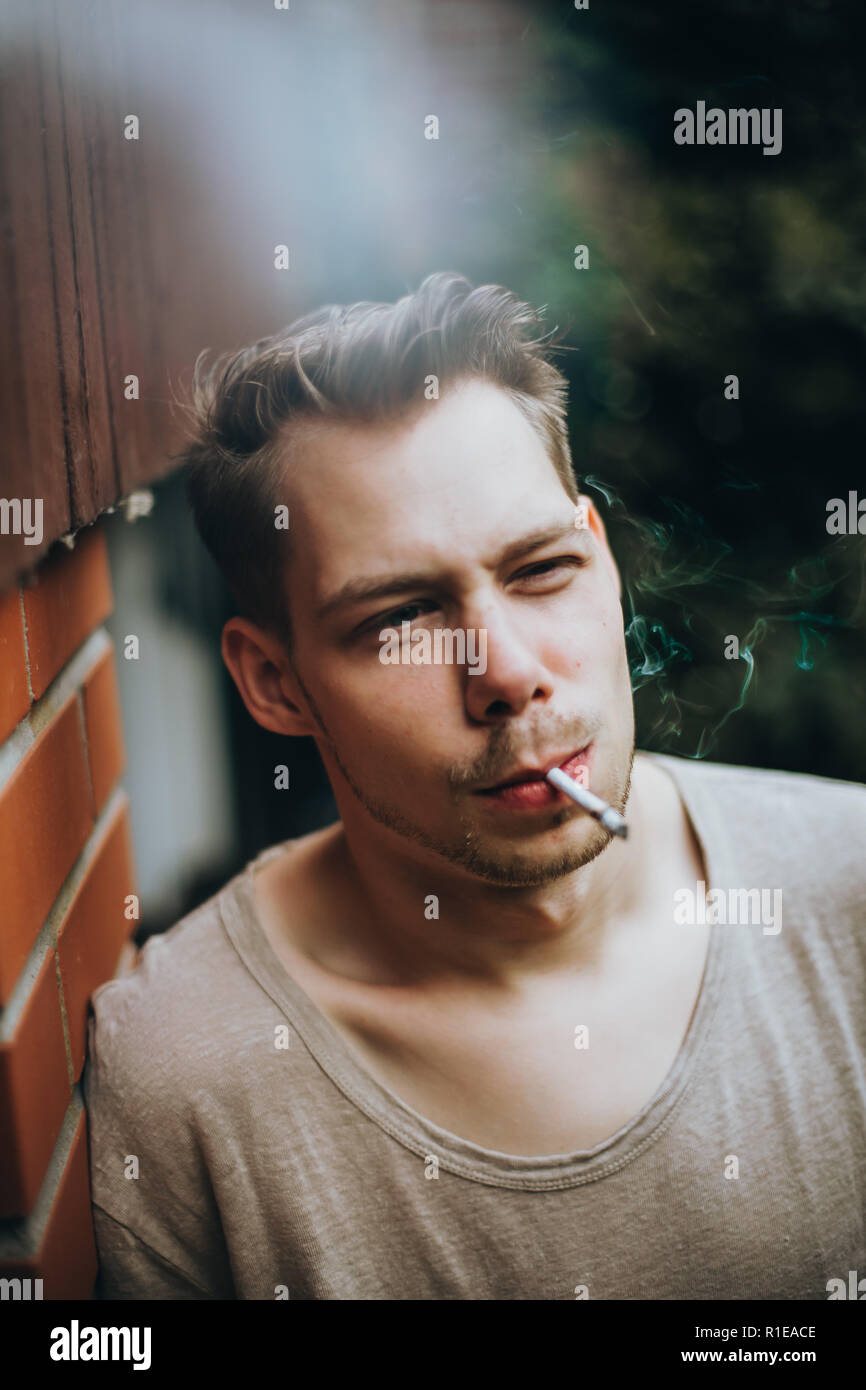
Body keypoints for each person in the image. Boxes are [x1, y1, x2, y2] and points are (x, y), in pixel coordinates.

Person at [84, 272, 866, 1299]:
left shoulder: (845, 887)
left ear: (601, 561)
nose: (503, 671)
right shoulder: (179, 1073)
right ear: (274, 683)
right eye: (399, 619)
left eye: (540, 570)